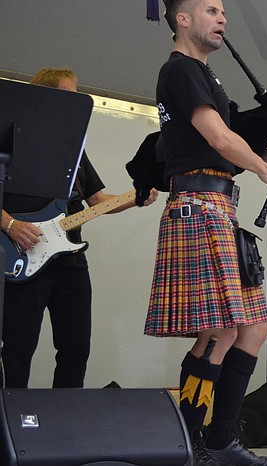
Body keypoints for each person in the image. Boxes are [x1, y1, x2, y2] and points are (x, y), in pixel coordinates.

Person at [144, 0, 267, 466]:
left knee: (251, 328)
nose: (222, 19)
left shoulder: (203, 73)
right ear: (182, 20)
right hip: (199, 207)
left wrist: (266, 155)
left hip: (217, 206)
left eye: (225, 12)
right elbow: (218, 136)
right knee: (221, 330)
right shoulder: (182, 70)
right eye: (212, 11)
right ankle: (197, 442)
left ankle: (215, 440)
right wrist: (263, 168)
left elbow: (217, 145)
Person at [1, 67, 158, 389]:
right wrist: (12, 224)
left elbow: (98, 200)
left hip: (70, 263)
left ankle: (65, 420)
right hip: (21, 257)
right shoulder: (12, 140)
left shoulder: (74, 151)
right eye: (67, 97)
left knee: (75, 348)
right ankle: (11, 426)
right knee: (18, 348)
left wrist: (138, 196)